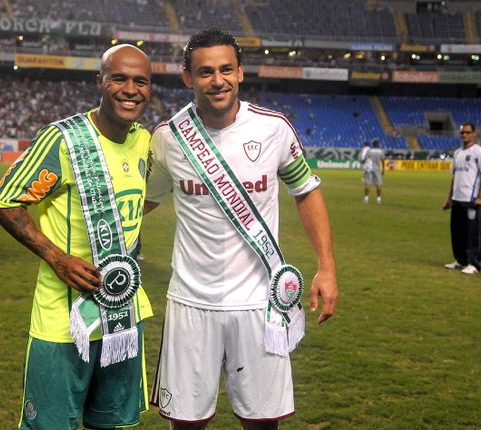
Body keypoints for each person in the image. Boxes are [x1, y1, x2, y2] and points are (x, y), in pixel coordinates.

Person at [145, 28, 338, 429]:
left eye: (226, 69)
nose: (217, 80)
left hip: (259, 304)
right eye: (205, 72)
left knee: (263, 423)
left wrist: (327, 266)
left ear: (240, 72)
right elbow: (144, 202)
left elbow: (306, 191)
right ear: (187, 78)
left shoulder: (274, 129)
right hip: (191, 304)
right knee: (186, 424)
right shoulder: (167, 139)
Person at [0, 44, 153, 430]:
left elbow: (146, 200)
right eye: (119, 78)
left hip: (124, 316)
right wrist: (56, 256)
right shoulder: (62, 140)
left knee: (111, 424)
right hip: (62, 323)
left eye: (140, 81)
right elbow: (4, 202)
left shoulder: (145, 141)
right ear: (100, 81)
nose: (131, 89)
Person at [443, 122, 481, 275]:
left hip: (471, 200)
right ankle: (461, 260)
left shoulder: (480, 152)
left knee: (472, 232)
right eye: (462, 133)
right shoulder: (457, 153)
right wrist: (449, 198)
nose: (464, 135)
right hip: (457, 199)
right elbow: (454, 176)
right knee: (457, 232)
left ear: (474, 134)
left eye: (467, 132)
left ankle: (474, 263)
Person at [362, 138, 385, 204]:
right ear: (378, 144)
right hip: (377, 170)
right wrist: (383, 170)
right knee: (378, 185)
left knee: (367, 184)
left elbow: (364, 160)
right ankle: (379, 199)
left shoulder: (370, 151)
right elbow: (383, 161)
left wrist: (364, 163)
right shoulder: (381, 151)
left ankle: (366, 199)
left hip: (369, 169)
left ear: (373, 144)